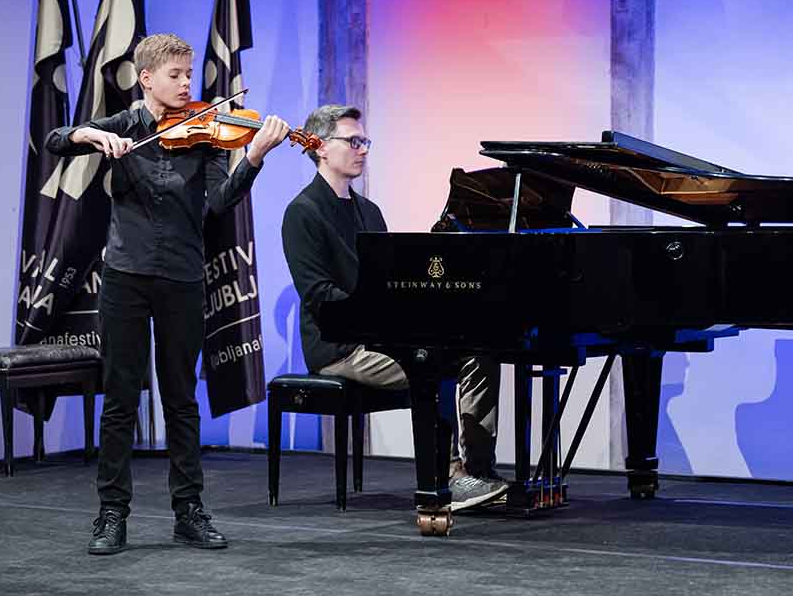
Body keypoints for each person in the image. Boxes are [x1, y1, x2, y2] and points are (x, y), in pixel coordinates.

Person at [46, 33, 290, 555]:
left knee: (181, 398)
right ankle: (112, 513)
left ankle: (189, 511)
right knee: (120, 398)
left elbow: (219, 201)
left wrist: (253, 157)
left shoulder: (204, 133)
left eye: (188, 75)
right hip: (126, 277)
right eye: (175, 75)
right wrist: (91, 135)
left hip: (182, 277)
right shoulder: (125, 125)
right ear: (146, 78)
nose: (185, 84)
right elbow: (56, 139)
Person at [280, 104, 507, 510]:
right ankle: (447, 476)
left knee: (480, 353)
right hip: (338, 346)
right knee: (430, 364)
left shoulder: (369, 211)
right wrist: (381, 317)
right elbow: (318, 294)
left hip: (378, 335)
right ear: (320, 148)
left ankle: (477, 472)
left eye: (364, 141)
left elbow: (387, 281)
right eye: (353, 141)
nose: (363, 150)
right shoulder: (302, 212)